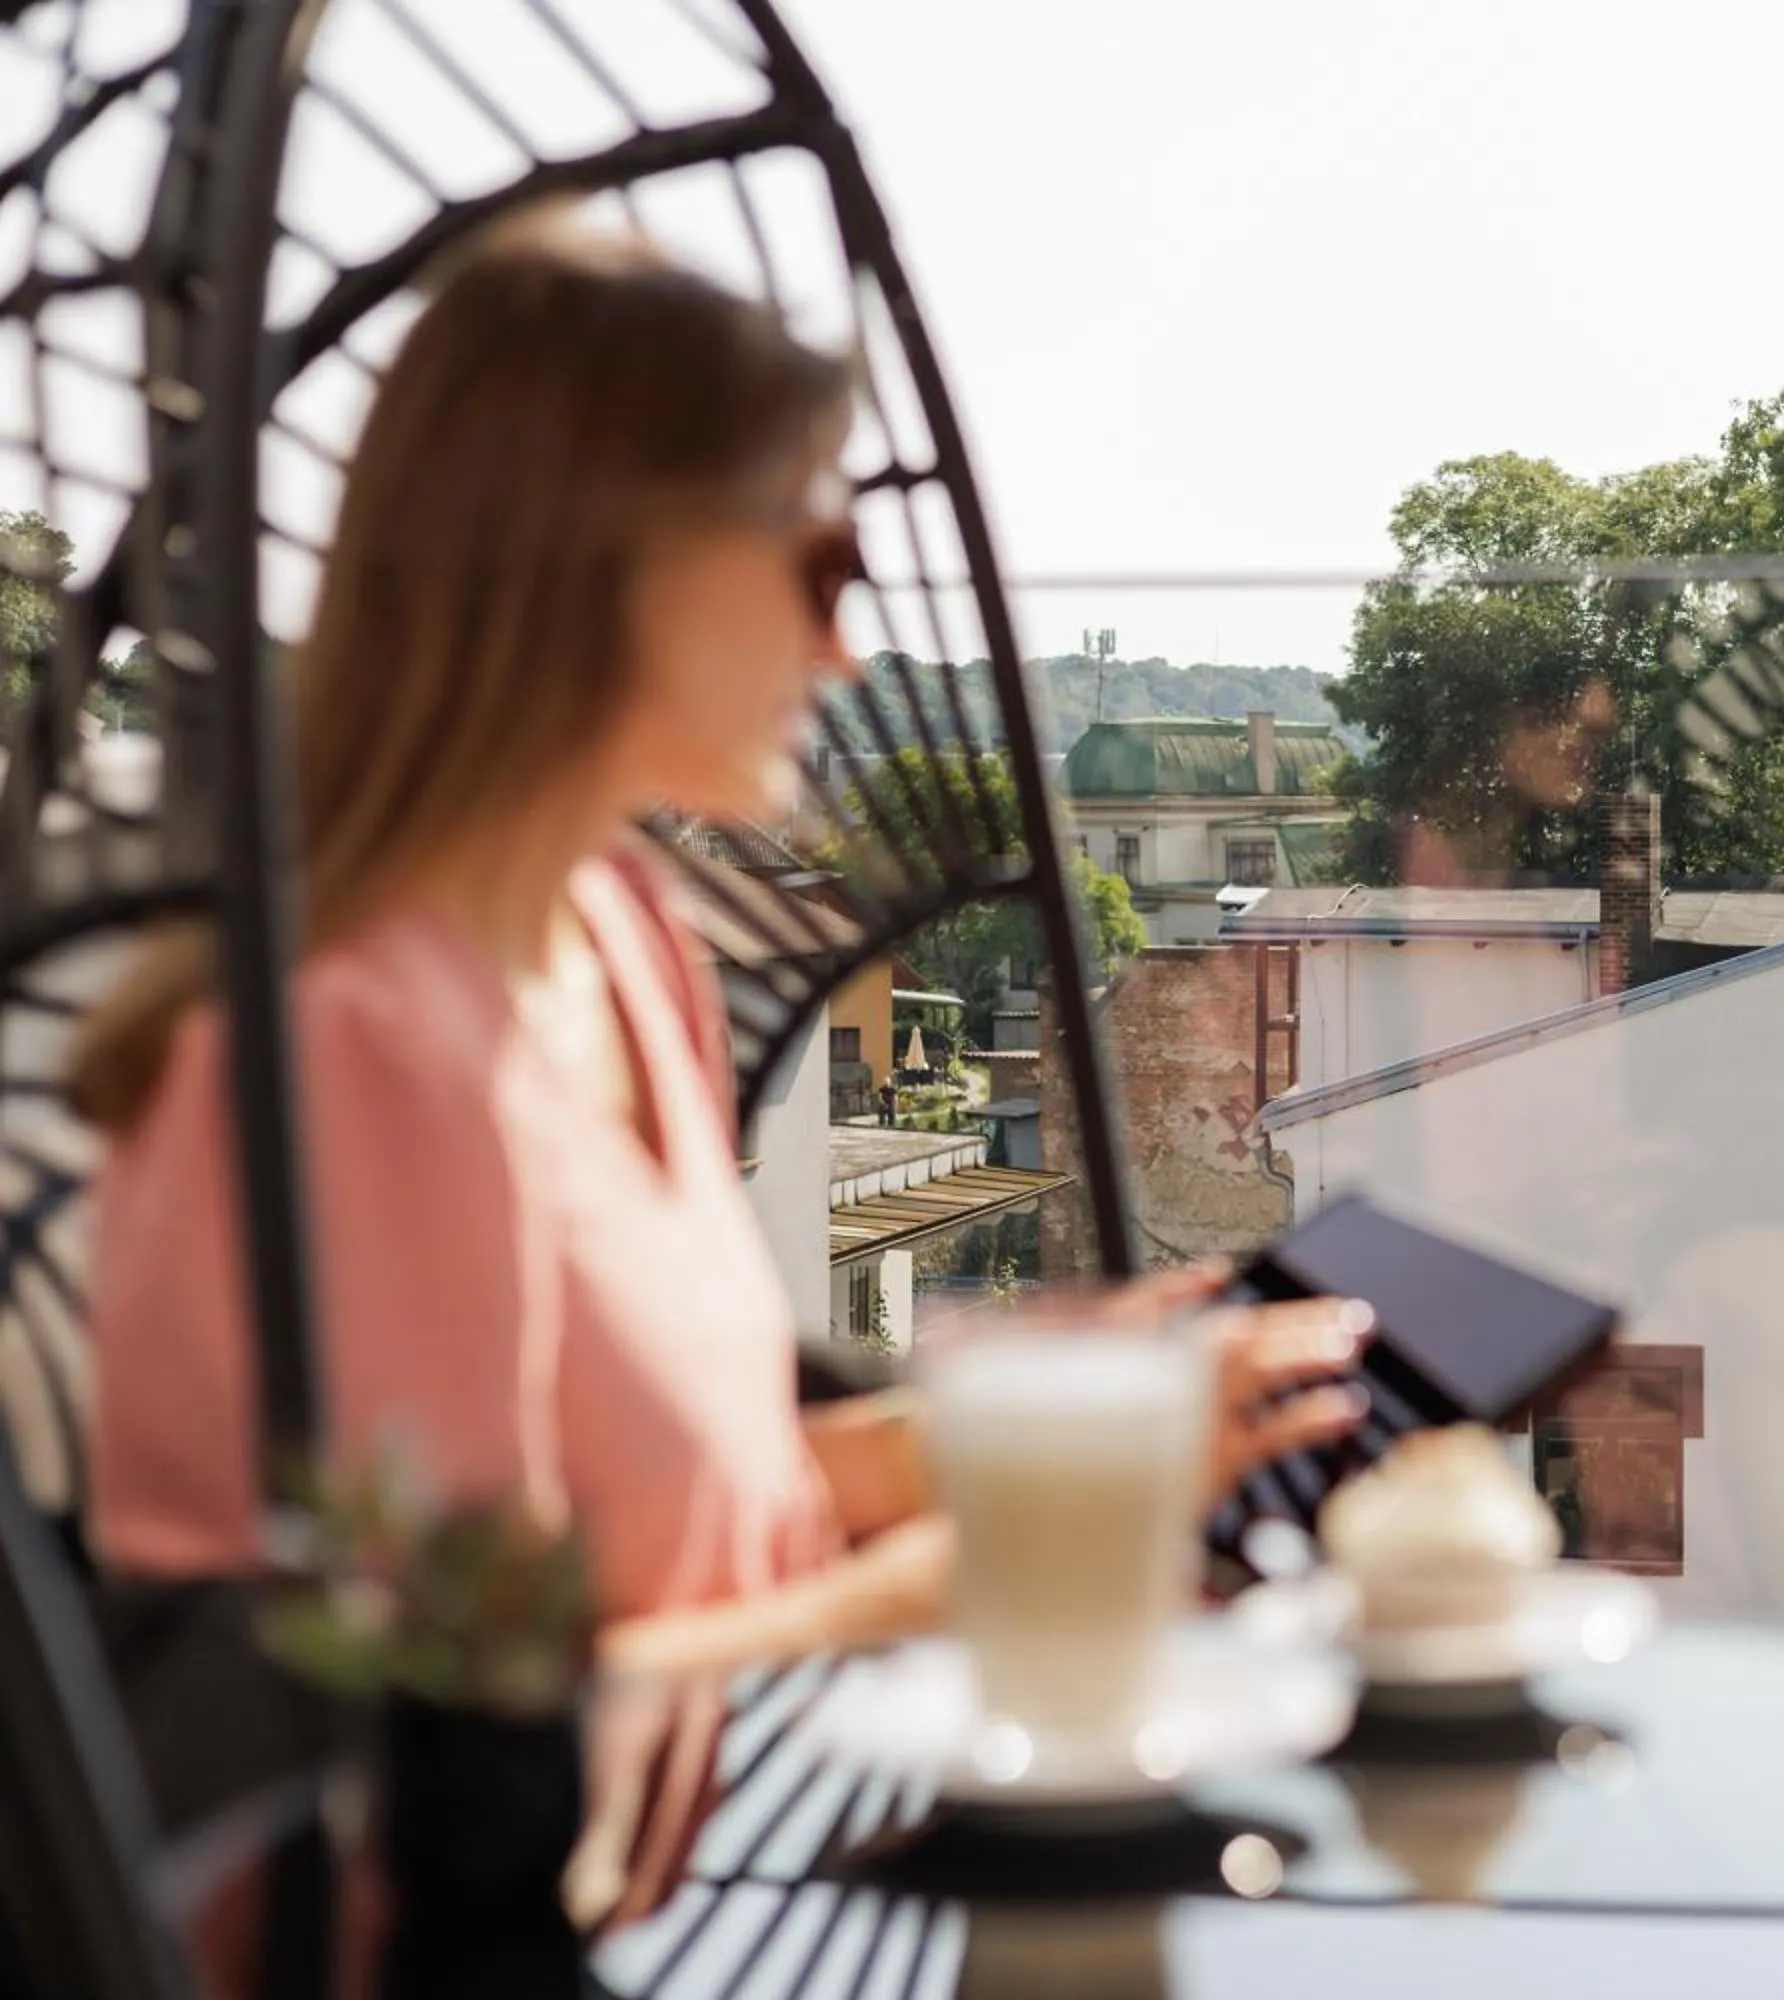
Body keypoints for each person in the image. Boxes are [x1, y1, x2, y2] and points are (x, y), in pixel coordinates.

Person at [67, 207, 1368, 1936]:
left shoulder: (611, 937)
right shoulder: (354, 1065)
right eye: (814, 566)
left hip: (661, 1912)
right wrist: (953, 1585)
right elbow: (470, 1741)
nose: (843, 649)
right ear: (596, 562)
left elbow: (684, 1511)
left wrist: (1066, 1432)